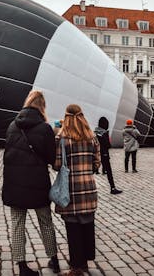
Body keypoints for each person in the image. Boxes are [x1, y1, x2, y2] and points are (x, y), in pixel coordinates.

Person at [2, 90, 59, 276]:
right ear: (42, 106)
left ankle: (21, 265)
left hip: (14, 183)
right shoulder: (45, 128)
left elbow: (7, 154)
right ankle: (54, 259)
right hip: (37, 183)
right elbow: (52, 158)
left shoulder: (12, 126)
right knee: (46, 222)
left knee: (17, 223)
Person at [54, 104, 100, 276]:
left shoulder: (62, 139)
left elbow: (58, 165)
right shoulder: (92, 137)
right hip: (88, 188)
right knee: (87, 225)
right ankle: (86, 262)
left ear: (66, 117)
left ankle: (76, 267)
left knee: (73, 229)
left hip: (71, 189)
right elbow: (97, 164)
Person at [94, 116, 122, 194]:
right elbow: (108, 144)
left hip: (97, 153)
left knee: (92, 170)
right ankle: (112, 188)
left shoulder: (95, 132)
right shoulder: (104, 133)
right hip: (104, 154)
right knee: (109, 172)